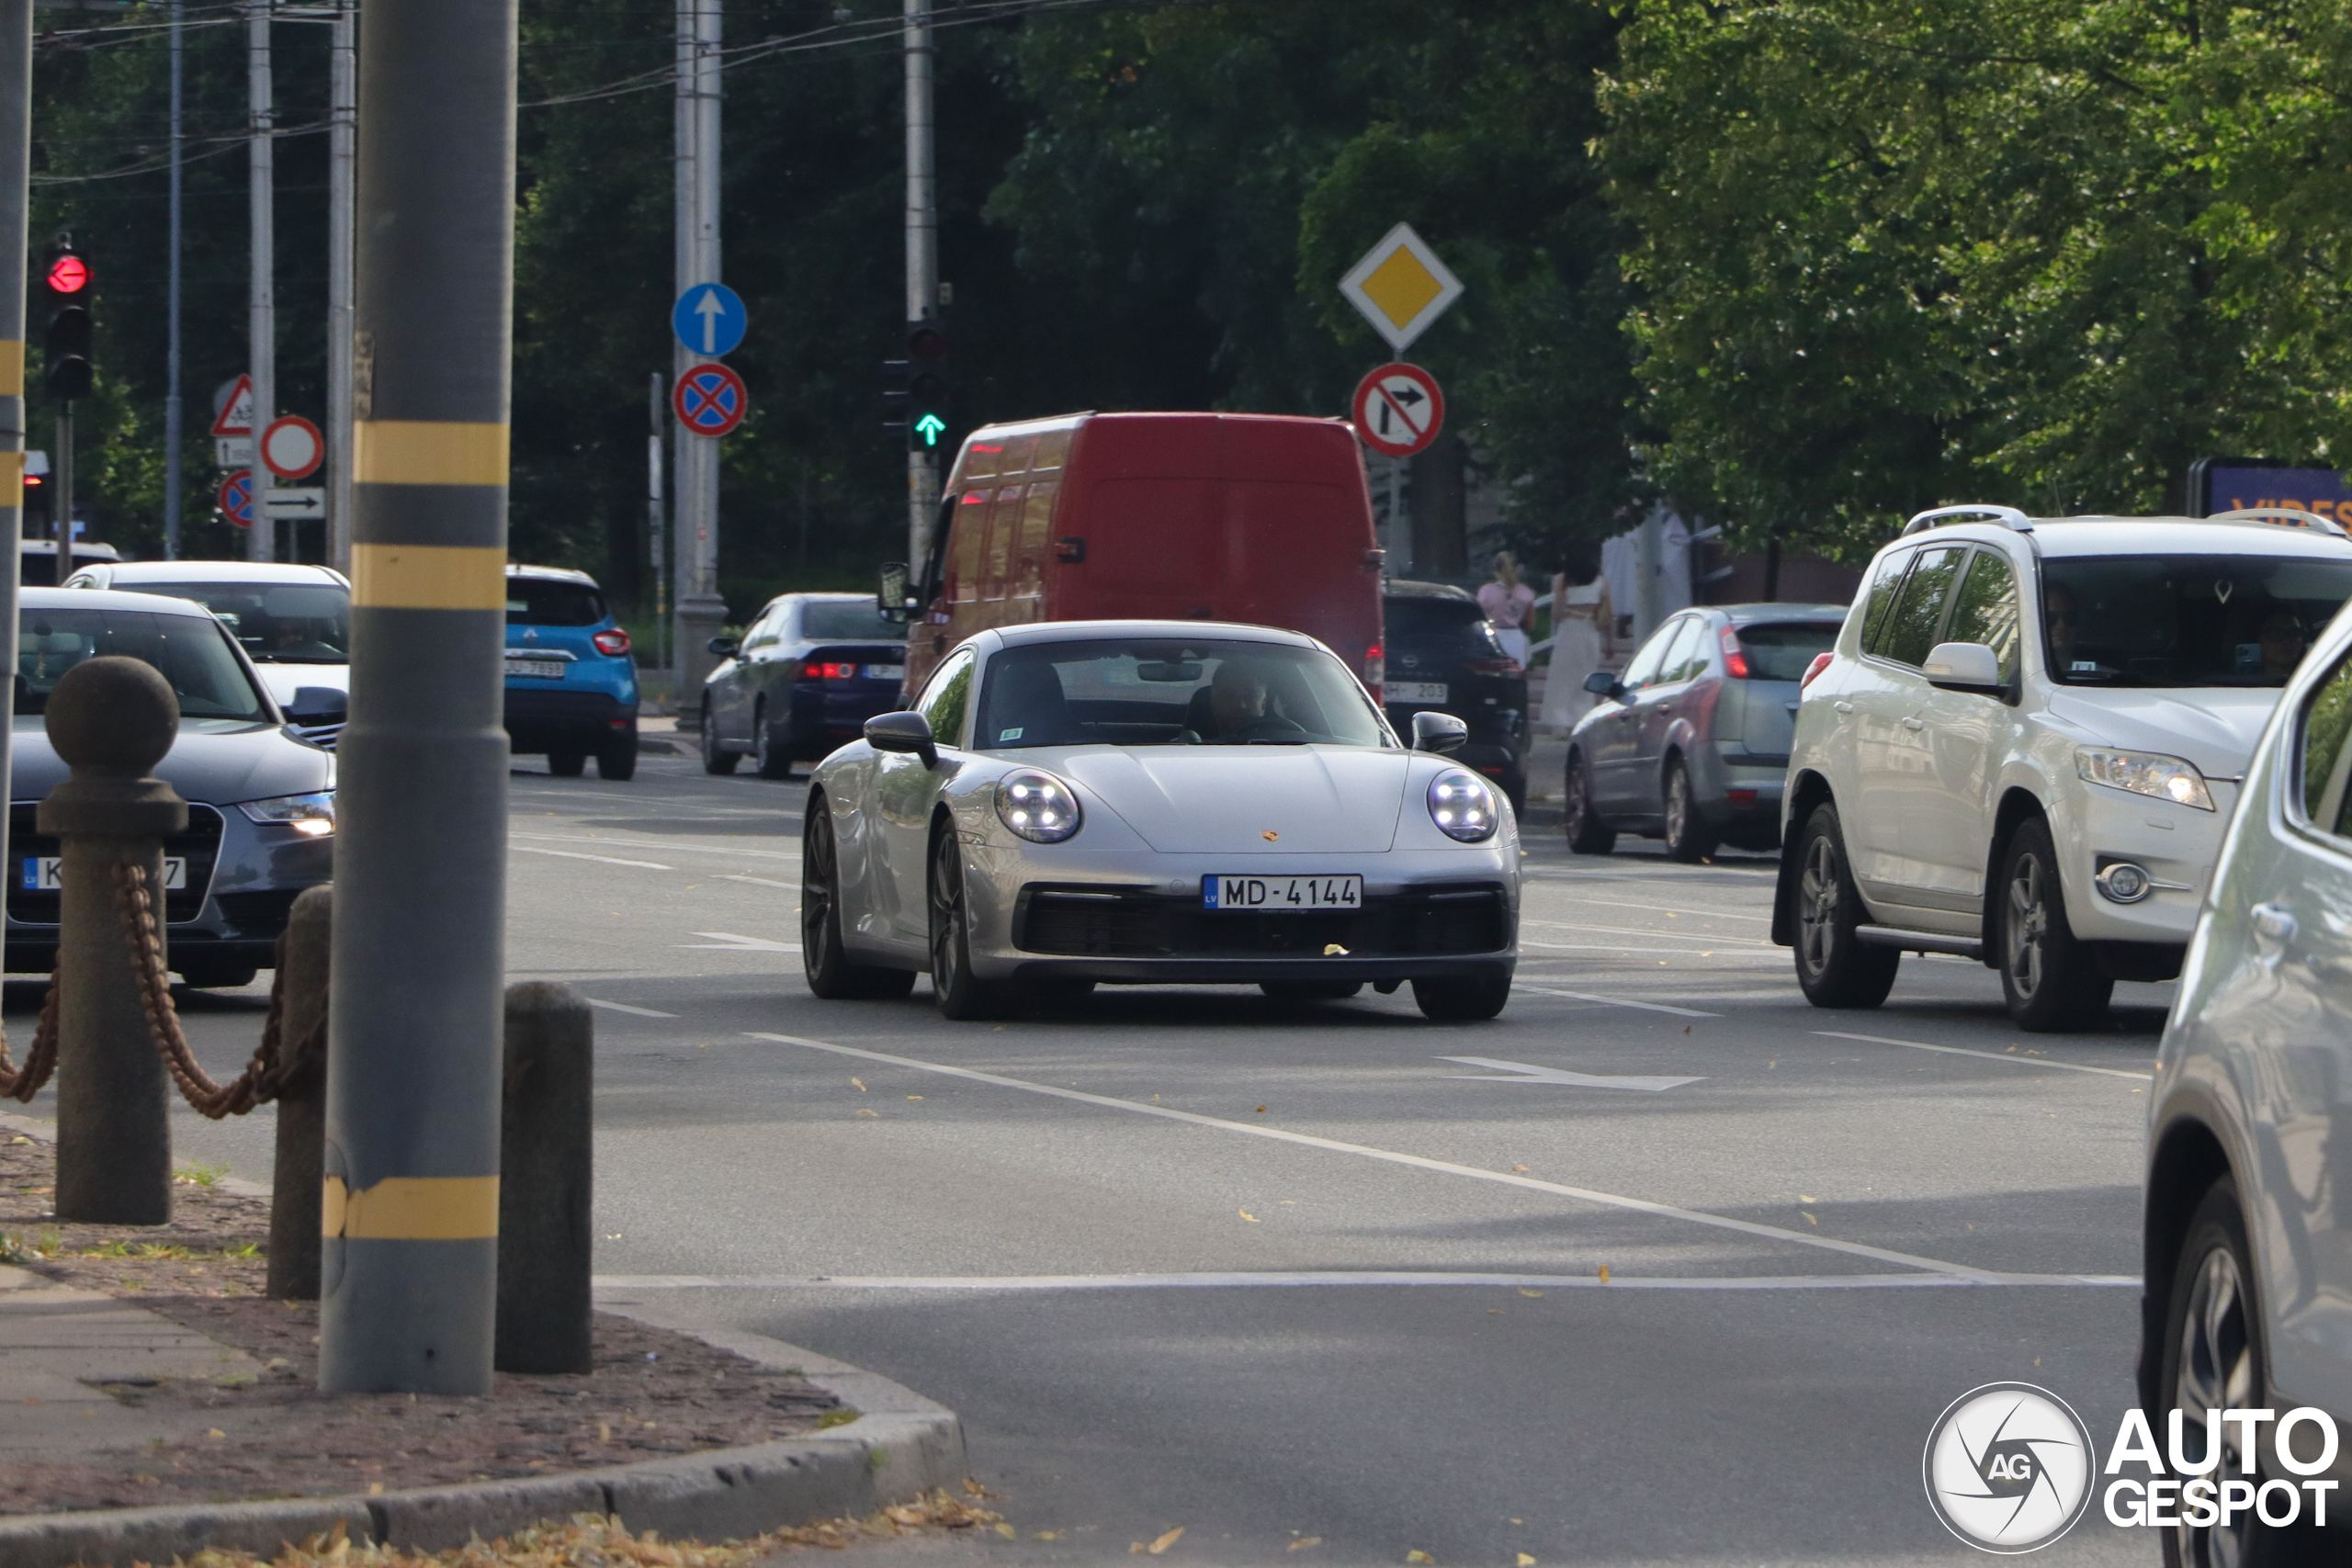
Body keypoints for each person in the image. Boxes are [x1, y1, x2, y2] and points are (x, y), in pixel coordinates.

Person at [1541, 541, 1613, 732]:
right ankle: (1582, 721)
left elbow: (1556, 615)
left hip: (1570, 631)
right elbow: (1607, 612)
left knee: (1562, 679)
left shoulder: (1563, 581)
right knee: (1586, 680)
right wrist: (1610, 643)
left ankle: (1560, 723)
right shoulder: (1600, 581)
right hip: (1591, 633)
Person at [1477, 552, 1537, 667]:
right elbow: (1530, 624)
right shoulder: (1525, 593)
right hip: (1516, 637)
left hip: (1494, 637)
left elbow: (1479, 617)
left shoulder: (1486, 592)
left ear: (1495, 571)